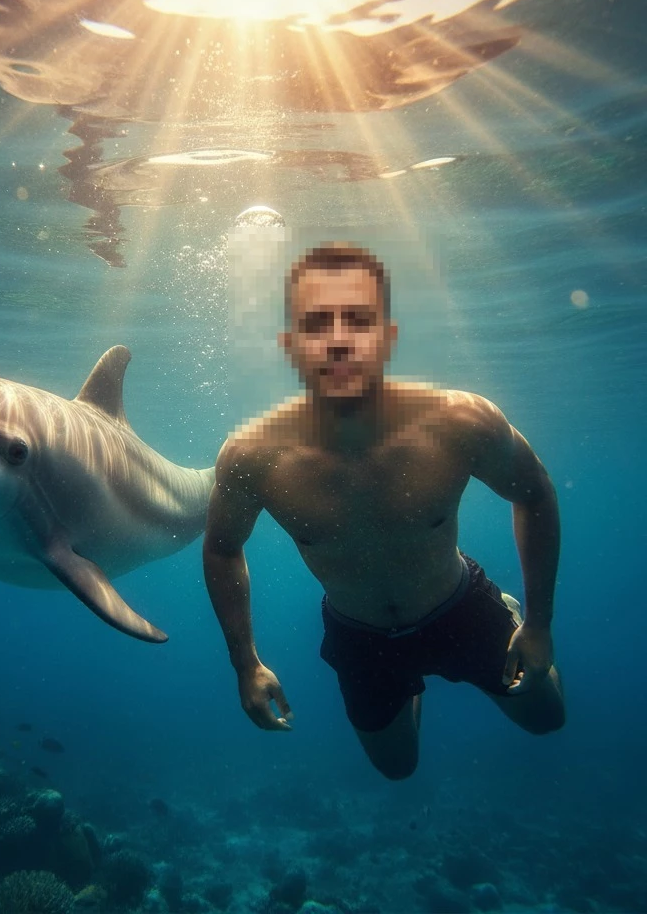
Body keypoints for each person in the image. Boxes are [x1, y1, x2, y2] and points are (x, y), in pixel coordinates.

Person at [203, 242, 565, 779]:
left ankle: (491, 624)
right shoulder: (253, 457)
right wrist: (245, 664)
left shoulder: (459, 422)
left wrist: (537, 624)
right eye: (317, 323)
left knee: (547, 718)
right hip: (361, 637)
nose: (340, 339)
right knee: (398, 768)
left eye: (359, 320)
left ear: (388, 336)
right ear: (291, 345)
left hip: (460, 606)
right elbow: (222, 547)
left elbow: (534, 493)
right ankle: (408, 682)